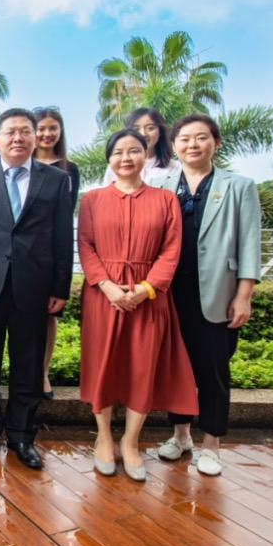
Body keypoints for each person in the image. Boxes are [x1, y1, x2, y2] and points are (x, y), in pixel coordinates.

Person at [77, 128, 198, 481]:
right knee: (102, 363)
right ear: (109, 159)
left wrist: (146, 289)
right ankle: (103, 436)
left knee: (142, 367)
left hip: (149, 298)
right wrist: (108, 287)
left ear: (146, 155)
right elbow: (85, 246)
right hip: (103, 296)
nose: (126, 158)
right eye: (118, 152)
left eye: (133, 151)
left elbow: (171, 250)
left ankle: (130, 441)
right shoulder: (91, 200)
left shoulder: (165, 200)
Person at [152, 114, 261, 476]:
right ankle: (180, 435)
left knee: (213, 370)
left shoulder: (239, 186)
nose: (193, 144)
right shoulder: (160, 184)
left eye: (201, 137)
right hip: (169, 294)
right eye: (184, 139)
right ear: (174, 146)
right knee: (175, 367)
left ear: (216, 142)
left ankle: (211, 444)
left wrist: (243, 296)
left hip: (217, 293)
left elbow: (249, 244)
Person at [0, 109, 73, 470]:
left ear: (35, 138)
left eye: (25, 131)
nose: (18, 138)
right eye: (10, 132)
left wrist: (60, 286)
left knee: (27, 365)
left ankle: (22, 436)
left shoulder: (56, 179)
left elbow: (62, 237)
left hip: (34, 286)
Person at [33, 106, 80, 400]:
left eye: (53, 128)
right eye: (41, 128)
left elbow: (66, 214)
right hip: (23, 251)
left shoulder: (68, 169)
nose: (46, 134)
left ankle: (43, 372)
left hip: (50, 253)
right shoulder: (19, 162)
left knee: (49, 315)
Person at [102, 107, 180, 185]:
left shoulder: (175, 168)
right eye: (136, 129)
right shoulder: (117, 166)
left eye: (150, 128)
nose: (143, 134)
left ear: (160, 131)